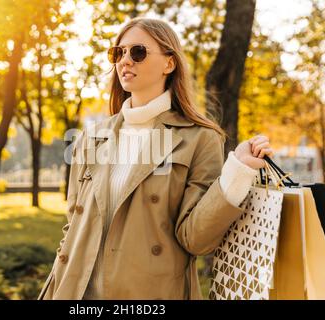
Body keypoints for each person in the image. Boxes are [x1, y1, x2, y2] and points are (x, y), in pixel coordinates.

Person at [38, 17, 274, 300]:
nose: (125, 60)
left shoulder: (199, 138)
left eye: (137, 52)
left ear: (169, 63)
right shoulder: (91, 137)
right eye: (118, 52)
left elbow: (195, 238)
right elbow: (73, 225)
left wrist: (238, 171)